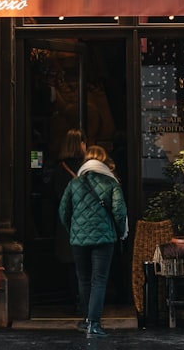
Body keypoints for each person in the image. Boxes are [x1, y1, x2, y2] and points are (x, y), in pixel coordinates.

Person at [59, 145, 128, 338]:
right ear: (104, 161)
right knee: (99, 280)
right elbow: (120, 212)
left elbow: (63, 211)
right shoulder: (111, 182)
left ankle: (87, 319)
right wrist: (120, 233)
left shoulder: (74, 183)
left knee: (84, 279)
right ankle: (95, 323)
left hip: (78, 240)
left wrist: (73, 230)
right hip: (104, 238)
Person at [49, 128, 87, 310]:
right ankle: (88, 301)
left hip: (67, 223)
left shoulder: (59, 169)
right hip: (86, 221)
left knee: (72, 264)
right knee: (88, 262)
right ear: (80, 145)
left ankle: (77, 299)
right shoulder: (88, 167)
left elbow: (55, 196)